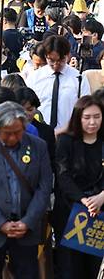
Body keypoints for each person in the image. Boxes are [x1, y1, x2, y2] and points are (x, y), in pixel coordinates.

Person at [0, 102, 52, 279]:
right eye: (8, 133)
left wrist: (28, 221)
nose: (14, 137)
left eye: (18, 131)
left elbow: (44, 188)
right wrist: (1, 224)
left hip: (26, 231)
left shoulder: (39, 147)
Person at [54, 96, 104, 278]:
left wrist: (101, 198)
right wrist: (84, 200)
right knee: (70, 267)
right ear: (78, 117)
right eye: (87, 117)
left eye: (97, 116)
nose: (93, 122)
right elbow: (63, 175)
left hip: (100, 211)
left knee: (95, 266)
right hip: (71, 211)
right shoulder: (66, 141)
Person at [26, 35, 90, 131]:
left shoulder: (78, 78)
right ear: (45, 56)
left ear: (67, 56)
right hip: (40, 132)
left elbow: (85, 108)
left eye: (60, 60)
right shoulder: (35, 78)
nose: (56, 65)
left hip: (69, 133)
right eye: (51, 60)